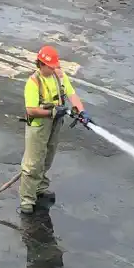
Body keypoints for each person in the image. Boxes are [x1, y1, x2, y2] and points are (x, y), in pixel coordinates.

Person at [19, 45, 88, 215]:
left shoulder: (58, 76)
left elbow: (72, 95)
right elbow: (31, 110)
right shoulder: (33, 83)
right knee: (33, 164)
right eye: (51, 66)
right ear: (41, 64)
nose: (55, 69)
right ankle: (27, 199)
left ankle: (40, 188)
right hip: (39, 126)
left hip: (55, 123)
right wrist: (52, 112)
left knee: (48, 157)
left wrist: (81, 111)